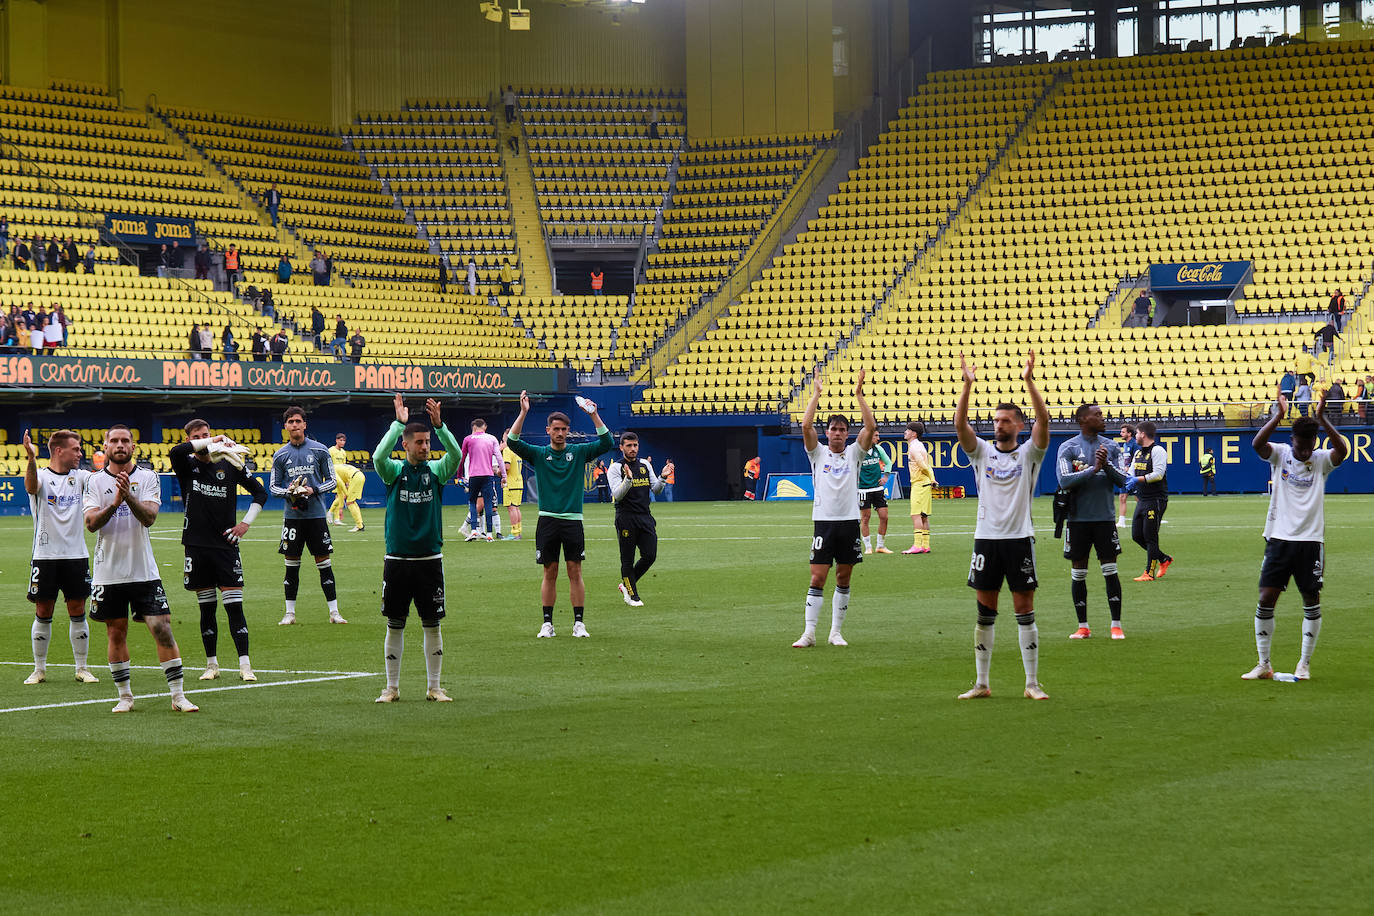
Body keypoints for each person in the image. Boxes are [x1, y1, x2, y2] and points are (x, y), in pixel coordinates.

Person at [954, 350, 1050, 701]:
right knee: (985, 610)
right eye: (996, 420)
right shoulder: (981, 453)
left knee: (1024, 609)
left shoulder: (1029, 454)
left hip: (1019, 539)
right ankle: (981, 683)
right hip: (986, 540)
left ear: (1019, 425)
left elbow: (1045, 421)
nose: (1000, 425)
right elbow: (960, 426)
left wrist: (1029, 382)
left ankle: (1032, 683)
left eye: (1007, 420)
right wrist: (967, 386)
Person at [83, 424, 198, 712]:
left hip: (144, 570)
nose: (120, 445)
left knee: (162, 628)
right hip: (108, 572)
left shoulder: (148, 477)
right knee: (115, 632)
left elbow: (149, 517)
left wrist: (128, 497)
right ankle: (125, 697)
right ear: (106, 447)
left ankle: (178, 696)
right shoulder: (94, 482)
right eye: (114, 441)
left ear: (133, 446)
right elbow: (91, 524)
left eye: (125, 441)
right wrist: (114, 504)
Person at [1245, 387, 1347, 681]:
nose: (1304, 451)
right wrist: (1278, 416)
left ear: (1314, 442)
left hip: (1311, 542)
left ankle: (1304, 663)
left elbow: (1342, 451)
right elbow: (1257, 444)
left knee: (1310, 599)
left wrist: (1321, 418)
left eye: (1309, 445)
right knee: (1266, 597)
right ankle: (1264, 664)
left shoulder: (1321, 459)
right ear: (1293, 441)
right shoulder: (1280, 454)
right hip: (1279, 539)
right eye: (1300, 445)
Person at [371, 395, 462, 703]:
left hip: (429, 560)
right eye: (420, 442)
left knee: (432, 623)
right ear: (406, 445)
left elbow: (456, 453)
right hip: (397, 559)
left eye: (427, 442)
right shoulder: (393, 472)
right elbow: (377, 457)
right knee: (394, 624)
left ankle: (434, 687)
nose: (425, 447)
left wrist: (441, 426)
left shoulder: (436, 471)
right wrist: (398, 423)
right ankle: (391, 688)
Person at [505, 391, 614, 638]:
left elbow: (607, 443)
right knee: (549, 572)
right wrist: (523, 412)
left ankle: (578, 623)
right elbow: (512, 441)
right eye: (556, 429)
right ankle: (547, 624)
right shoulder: (538, 454)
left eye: (564, 429)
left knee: (575, 571)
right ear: (548, 430)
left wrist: (594, 415)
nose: (560, 433)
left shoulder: (578, 452)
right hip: (547, 520)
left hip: (573, 521)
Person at [169, 420, 263, 682]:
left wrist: (245, 523)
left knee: (235, 608)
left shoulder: (230, 464)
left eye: (206, 434)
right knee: (207, 609)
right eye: (197, 437)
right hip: (196, 546)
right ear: (190, 439)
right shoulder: (187, 465)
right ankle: (212, 665)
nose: (203, 439)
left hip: (225, 546)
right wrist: (214, 439)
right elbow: (176, 452)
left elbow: (260, 494)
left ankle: (245, 665)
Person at [790, 371, 876, 648]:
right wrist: (815, 394)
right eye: (833, 429)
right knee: (818, 576)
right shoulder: (818, 453)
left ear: (847, 434)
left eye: (842, 430)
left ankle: (836, 632)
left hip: (849, 522)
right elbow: (805, 426)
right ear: (827, 433)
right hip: (824, 523)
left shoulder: (855, 453)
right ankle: (809, 632)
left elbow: (871, 426)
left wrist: (860, 396)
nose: (837, 433)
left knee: (844, 575)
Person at [22, 429, 99, 685]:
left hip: (76, 555)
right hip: (45, 556)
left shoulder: (82, 477)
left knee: (77, 609)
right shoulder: (41, 475)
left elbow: (103, 479)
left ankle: (82, 668)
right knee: (43, 609)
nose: (80, 453)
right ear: (59, 451)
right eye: (76, 449)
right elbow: (31, 487)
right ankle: (39, 669)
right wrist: (31, 459)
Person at [1057, 404, 1129, 640]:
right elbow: (1064, 481)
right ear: (1083, 419)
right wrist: (1094, 469)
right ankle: (1083, 626)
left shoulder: (1111, 446)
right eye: (1097, 415)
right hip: (1077, 520)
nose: (1102, 417)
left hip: (1104, 519)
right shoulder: (1068, 447)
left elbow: (1124, 481)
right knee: (1078, 573)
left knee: (1110, 571)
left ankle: (1116, 625)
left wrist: (1106, 465)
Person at [270, 406, 345, 626]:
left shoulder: (320, 450)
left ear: (304, 424)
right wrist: (291, 492)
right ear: (285, 426)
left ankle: (334, 612)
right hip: (292, 518)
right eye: (290, 422)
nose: (294, 425)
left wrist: (313, 490)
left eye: (298, 421)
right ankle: (289, 614)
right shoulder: (280, 455)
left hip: (316, 516)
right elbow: (273, 487)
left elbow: (332, 481)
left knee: (324, 563)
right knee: (291, 565)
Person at [608, 431, 666, 607]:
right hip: (626, 517)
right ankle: (632, 596)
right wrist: (628, 480)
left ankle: (626, 584)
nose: (633, 449)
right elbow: (617, 495)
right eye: (629, 446)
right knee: (627, 558)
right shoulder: (615, 468)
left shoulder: (645, 464)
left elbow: (656, 489)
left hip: (645, 516)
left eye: (635, 445)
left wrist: (663, 477)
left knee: (650, 555)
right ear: (621, 447)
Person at [1127, 421, 1172, 582]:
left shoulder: (1158, 450)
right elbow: (1130, 472)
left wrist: (1136, 480)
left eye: (1137, 433)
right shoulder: (1138, 453)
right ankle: (1164, 558)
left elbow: (1158, 474)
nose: (1135, 435)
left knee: (1150, 536)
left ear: (1143, 434)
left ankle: (1149, 573)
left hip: (1155, 499)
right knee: (1136, 535)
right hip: (1143, 499)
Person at [460, 418, 503, 541]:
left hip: (472, 478)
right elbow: (495, 463)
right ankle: (476, 529)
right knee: (484, 504)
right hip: (484, 476)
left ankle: (480, 531)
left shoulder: (470, 444)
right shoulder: (488, 442)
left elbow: (463, 461)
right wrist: (502, 475)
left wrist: (462, 478)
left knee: (480, 505)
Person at [901, 421, 936, 553]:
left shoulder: (914, 447)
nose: (905, 432)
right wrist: (931, 478)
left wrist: (932, 477)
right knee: (924, 516)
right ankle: (925, 545)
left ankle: (917, 545)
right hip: (924, 483)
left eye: (908, 430)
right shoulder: (919, 445)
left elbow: (922, 465)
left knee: (916, 515)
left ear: (913, 434)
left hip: (919, 484)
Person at [857, 433, 893, 555]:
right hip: (863, 489)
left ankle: (880, 546)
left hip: (877, 489)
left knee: (884, 517)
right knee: (865, 518)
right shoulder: (858, 450)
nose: (878, 438)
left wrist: (886, 476)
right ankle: (868, 547)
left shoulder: (878, 449)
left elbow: (888, 462)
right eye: (876, 436)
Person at [328, 432, 366, 532]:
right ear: (336, 440)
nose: (342, 442)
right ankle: (337, 518)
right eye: (340, 440)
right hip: (352, 475)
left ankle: (359, 525)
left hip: (349, 477)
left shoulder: (342, 455)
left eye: (344, 440)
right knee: (345, 499)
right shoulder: (331, 450)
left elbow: (340, 482)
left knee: (347, 500)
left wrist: (346, 488)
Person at [501, 429, 523, 540]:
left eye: (504, 436)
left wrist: (498, 472)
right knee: (516, 508)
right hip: (519, 482)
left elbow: (507, 467)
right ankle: (518, 531)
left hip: (511, 483)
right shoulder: (517, 449)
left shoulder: (507, 450)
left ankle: (514, 533)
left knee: (511, 508)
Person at [1115, 424, 1138, 527]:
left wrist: (1130, 467)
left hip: (1133, 475)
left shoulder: (1135, 444)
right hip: (1125, 475)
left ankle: (1145, 517)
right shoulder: (1125, 445)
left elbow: (1137, 457)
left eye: (1123, 432)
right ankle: (1121, 521)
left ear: (1129, 433)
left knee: (1138, 498)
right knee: (1122, 497)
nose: (1121, 434)